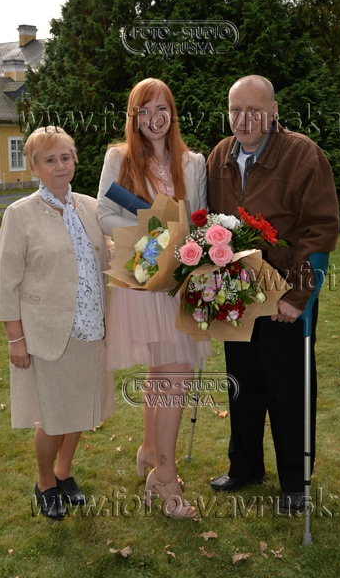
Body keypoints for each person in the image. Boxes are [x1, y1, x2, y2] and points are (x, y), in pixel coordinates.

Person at [207, 75, 340, 513]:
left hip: (284, 293)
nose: (243, 120)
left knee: (288, 389)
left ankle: (295, 482)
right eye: (235, 110)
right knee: (242, 384)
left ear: (274, 111)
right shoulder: (220, 156)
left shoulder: (303, 154)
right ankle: (245, 466)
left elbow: (319, 229)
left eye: (254, 110)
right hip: (237, 292)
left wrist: (298, 297)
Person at [97, 78, 210, 519]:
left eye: (161, 108)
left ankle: (149, 450)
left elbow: (199, 217)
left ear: (172, 113)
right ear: (134, 117)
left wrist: (191, 244)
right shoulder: (119, 158)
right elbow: (104, 212)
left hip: (178, 280)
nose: (154, 118)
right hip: (142, 277)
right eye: (144, 111)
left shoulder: (193, 162)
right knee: (175, 376)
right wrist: (147, 230)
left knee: (165, 373)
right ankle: (165, 477)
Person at [0, 126, 114, 520]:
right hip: (47, 333)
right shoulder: (20, 214)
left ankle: (64, 472)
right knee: (54, 417)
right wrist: (15, 339)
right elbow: (5, 282)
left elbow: (108, 253)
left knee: (80, 409)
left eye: (65, 157)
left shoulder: (91, 207)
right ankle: (45, 482)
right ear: (35, 167)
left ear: (74, 161)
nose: (60, 166)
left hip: (92, 328)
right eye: (49, 160)